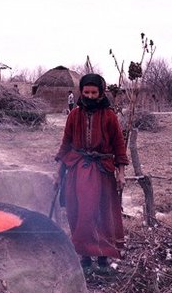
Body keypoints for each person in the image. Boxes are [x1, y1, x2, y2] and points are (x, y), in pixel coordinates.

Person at [54, 74, 129, 275]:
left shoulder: (110, 116)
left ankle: (103, 257)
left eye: (93, 92)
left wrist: (121, 173)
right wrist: (58, 171)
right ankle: (85, 257)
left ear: (101, 93)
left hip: (102, 171)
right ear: (81, 92)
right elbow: (65, 144)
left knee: (102, 213)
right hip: (78, 170)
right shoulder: (74, 115)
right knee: (80, 211)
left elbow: (119, 147)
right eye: (86, 92)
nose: (89, 95)